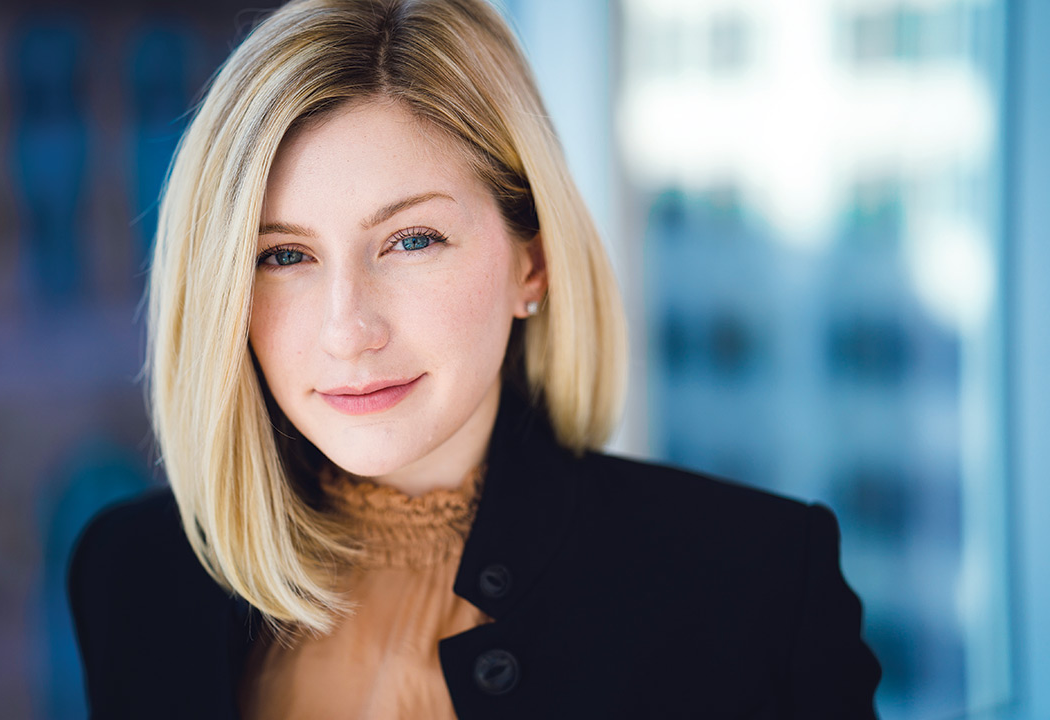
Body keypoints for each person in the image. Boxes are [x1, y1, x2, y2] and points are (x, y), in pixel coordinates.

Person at [67, 0, 882, 717]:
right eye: (283, 256)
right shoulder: (132, 578)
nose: (348, 329)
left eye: (412, 240)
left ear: (532, 262)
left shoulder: (757, 586)